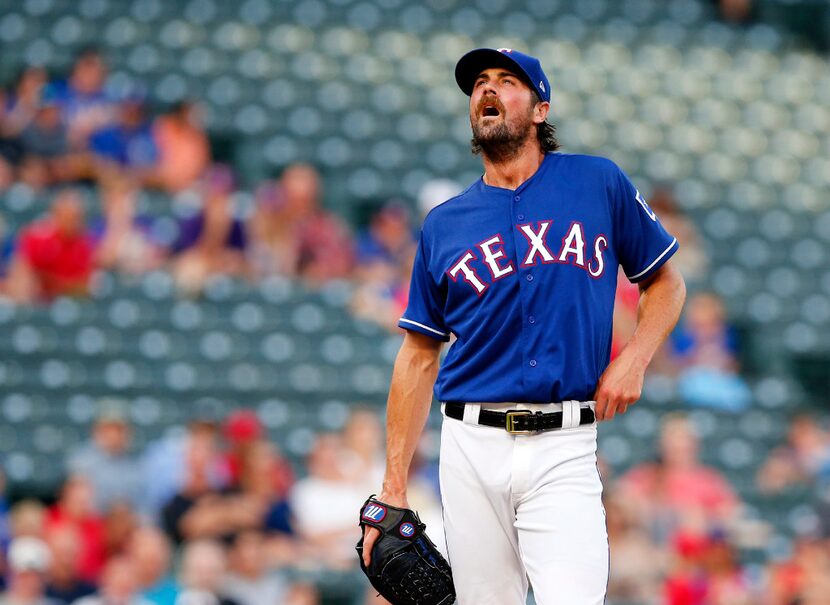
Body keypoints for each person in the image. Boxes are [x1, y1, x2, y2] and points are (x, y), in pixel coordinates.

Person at [360, 48, 686, 604]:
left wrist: (634, 358)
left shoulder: (596, 181)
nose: (488, 90)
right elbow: (417, 356)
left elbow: (667, 283)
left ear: (540, 107)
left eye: (507, 81)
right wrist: (392, 489)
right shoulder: (444, 223)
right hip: (469, 444)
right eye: (479, 83)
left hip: (563, 443)